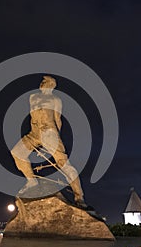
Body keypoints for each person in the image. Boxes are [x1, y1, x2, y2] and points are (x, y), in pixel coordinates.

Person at [11, 75, 86, 207]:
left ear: (51, 84)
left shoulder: (56, 99)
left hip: (49, 132)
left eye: (45, 81)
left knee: (64, 164)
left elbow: (58, 119)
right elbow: (31, 115)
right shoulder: (32, 97)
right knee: (17, 152)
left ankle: (79, 197)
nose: (42, 83)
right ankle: (32, 181)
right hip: (34, 133)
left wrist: (55, 139)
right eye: (42, 81)